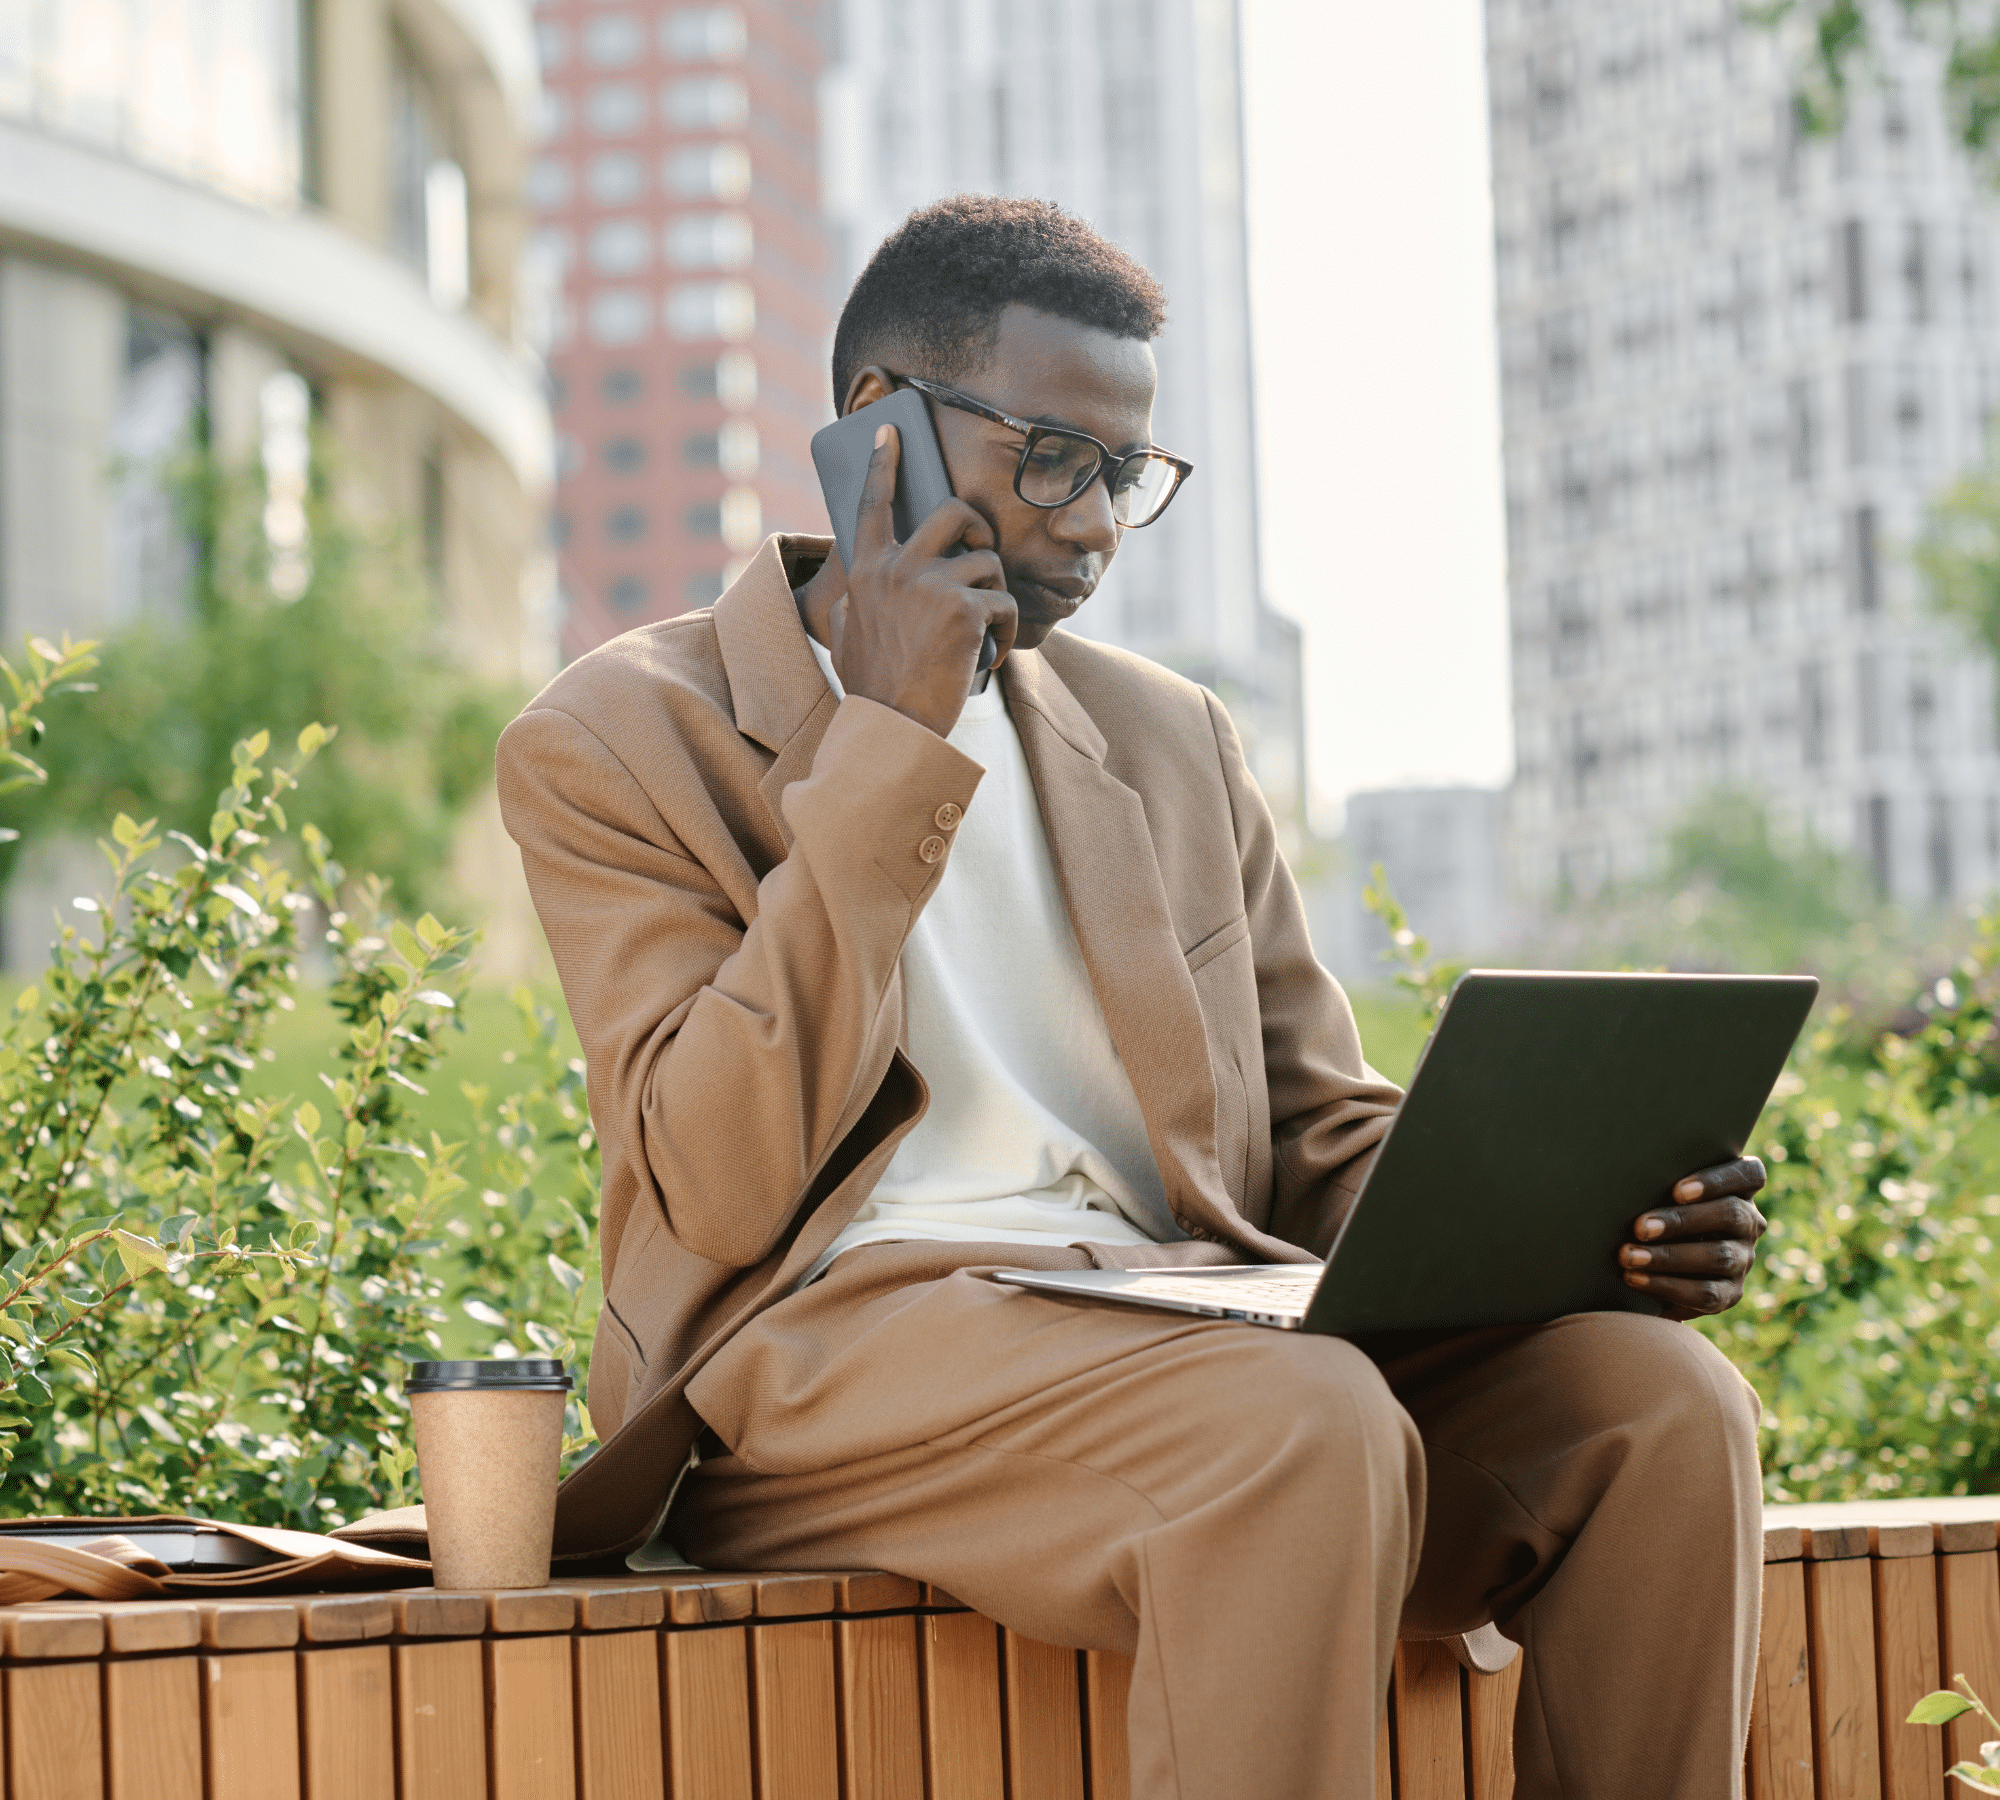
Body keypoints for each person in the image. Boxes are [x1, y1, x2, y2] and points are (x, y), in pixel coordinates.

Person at [496, 195, 1770, 1799]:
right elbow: (720, 1173)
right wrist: (894, 736)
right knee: (1296, 1424)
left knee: (1659, 1409)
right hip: (833, 1361)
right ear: (878, 430)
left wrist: (1581, 1222)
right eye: (1053, 458)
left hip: (1194, 1326)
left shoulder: (1168, 739)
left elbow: (1313, 1139)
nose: (1095, 523)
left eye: (1125, 476)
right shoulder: (620, 735)